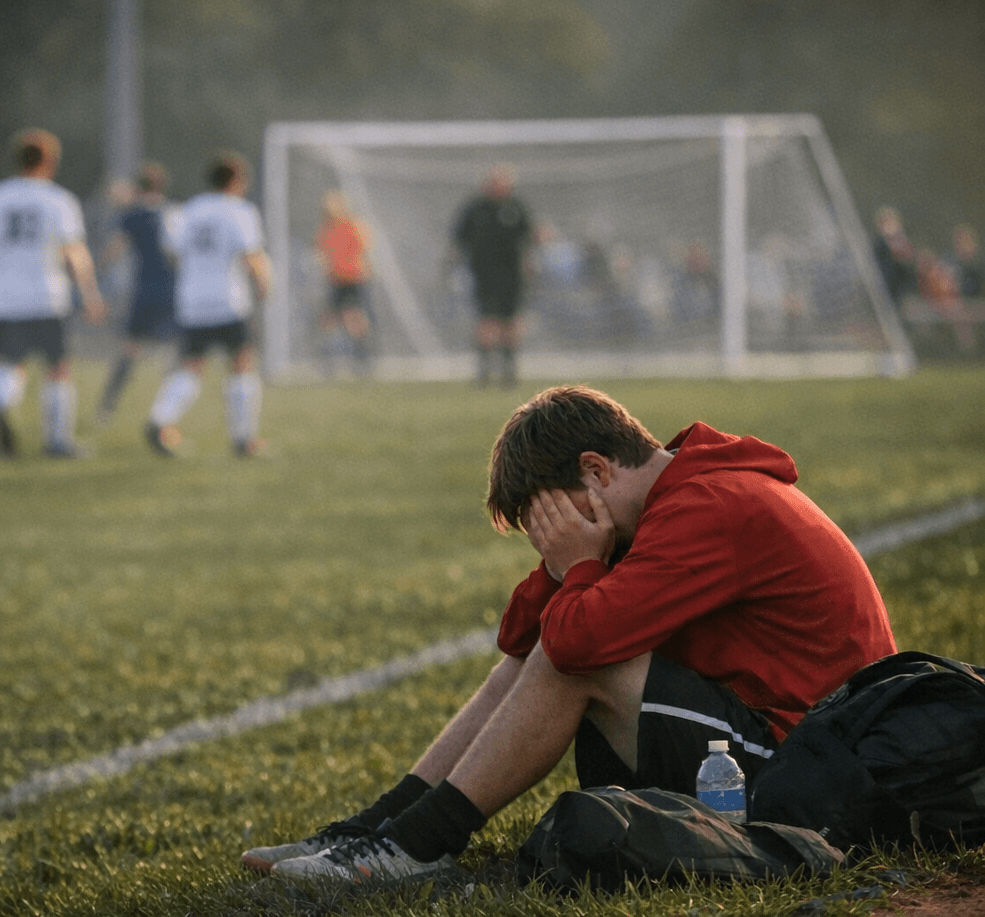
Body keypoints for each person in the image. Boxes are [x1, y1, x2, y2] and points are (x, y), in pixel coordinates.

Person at [241, 384, 896, 885]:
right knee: (550, 650)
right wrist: (567, 563)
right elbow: (518, 640)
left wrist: (581, 564)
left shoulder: (709, 506)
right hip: (780, 747)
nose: (550, 536)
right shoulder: (669, 498)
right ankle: (379, 828)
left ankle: (415, 845)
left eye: (552, 517)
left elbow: (572, 648)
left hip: (810, 775)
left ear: (597, 470)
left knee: (577, 658)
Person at [0, 128, 107, 457]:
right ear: (51, 161)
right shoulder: (59, 200)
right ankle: (58, 441)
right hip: (48, 297)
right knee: (57, 368)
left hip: (4, 298)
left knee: (9, 363)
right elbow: (74, 254)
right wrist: (91, 296)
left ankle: (3, 403)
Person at [144, 152, 272, 458]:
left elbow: (173, 254)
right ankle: (244, 439)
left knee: (191, 367)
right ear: (236, 181)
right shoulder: (239, 210)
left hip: (192, 301)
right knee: (241, 364)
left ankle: (160, 420)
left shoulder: (189, 210)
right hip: (229, 300)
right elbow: (252, 256)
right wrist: (264, 288)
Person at [96, 161, 178, 422]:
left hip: (144, 290)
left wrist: (98, 271)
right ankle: (167, 411)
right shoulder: (173, 212)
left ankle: (107, 406)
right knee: (181, 351)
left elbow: (114, 250)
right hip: (173, 290)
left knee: (130, 348)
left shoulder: (132, 216)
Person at [450, 165, 532, 385]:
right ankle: (484, 372)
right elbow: (459, 238)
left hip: (512, 275)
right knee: (487, 321)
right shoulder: (475, 208)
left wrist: (529, 263)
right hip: (484, 275)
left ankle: (509, 372)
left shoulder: (516, 207)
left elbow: (528, 237)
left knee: (510, 322)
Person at [313, 189, 373, 375]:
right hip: (336, 279)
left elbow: (364, 249)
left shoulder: (353, 226)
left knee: (353, 317)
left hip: (353, 278)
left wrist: (363, 266)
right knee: (330, 319)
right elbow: (320, 251)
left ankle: (362, 357)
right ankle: (330, 358)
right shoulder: (326, 229)